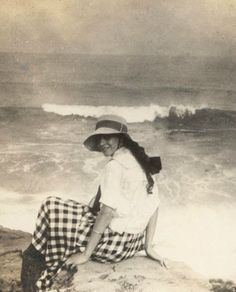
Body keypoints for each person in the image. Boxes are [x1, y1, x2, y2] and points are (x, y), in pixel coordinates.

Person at [21, 114, 165, 292]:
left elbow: (107, 212)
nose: (103, 142)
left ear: (121, 138)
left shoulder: (115, 166)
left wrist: (86, 254)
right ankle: (38, 256)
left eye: (108, 137)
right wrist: (148, 246)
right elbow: (154, 205)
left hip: (114, 246)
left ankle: (36, 261)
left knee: (50, 205)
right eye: (100, 138)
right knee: (75, 208)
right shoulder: (141, 162)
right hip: (132, 243)